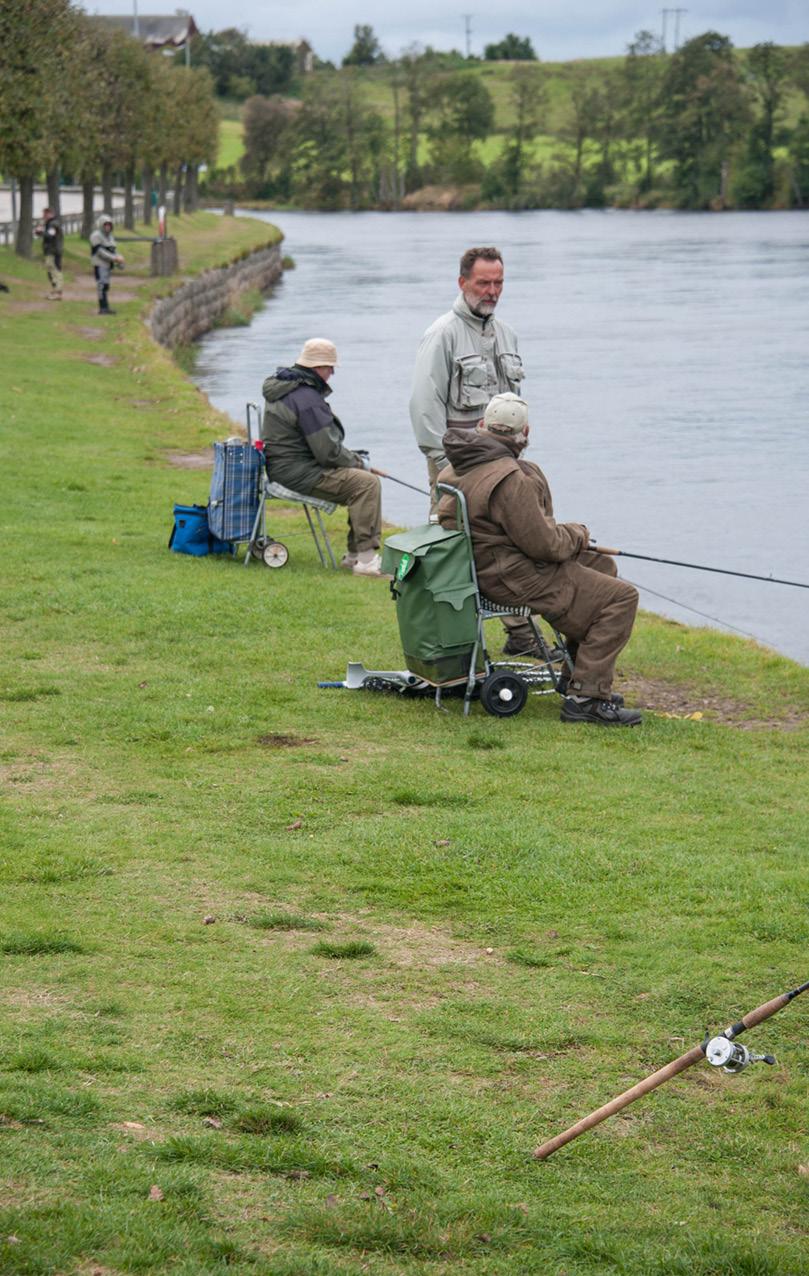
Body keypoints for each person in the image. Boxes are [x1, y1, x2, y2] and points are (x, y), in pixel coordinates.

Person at [437, 393, 642, 727]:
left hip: (479, 569)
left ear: (482, 425)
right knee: (621, 597)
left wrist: (575, 544)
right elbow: (545, 546)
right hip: (510, 578)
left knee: (601, 567)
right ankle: (586, 701)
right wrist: (578, 533)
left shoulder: (456, 465)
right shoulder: (509, 478)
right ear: (526, 433)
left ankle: (577, 677)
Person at [409, 245, 537, 658]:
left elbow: (514, 402)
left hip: (504, 466)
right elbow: (423, 405)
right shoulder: (442, 334)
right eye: (484, 282)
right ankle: (455, 644)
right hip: (457, 466)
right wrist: (446, 466)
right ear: (462, 282)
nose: (492, 291)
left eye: (499, 282)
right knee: (454, 551)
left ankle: (520, 633)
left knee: (516, 541)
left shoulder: (508, 334)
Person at [261, 339, 384, 577]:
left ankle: (354, 556)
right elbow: (328, 452)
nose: (333, 373)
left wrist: (355, 460)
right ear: (317, 367)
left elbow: (322, 446)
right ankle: (365, 561)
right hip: (297, 472)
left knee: (360, 479)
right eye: (330, 367)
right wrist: (361, 464)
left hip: (283, 467)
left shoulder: (286, 388)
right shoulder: (307, 400)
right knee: (366, 483)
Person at [89, 213, 124, 315]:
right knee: (101, 286)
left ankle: (106, 307)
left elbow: (113, 250)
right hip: (100, 265)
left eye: (109, 225)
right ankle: (102, 308)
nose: (108, 227)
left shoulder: (110, 237)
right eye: (106, 225)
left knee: (106, 286)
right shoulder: (95, 236)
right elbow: (100, 252)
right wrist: (115, 258)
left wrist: (120, 260)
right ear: (101, 225)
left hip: (108, 265)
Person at [34, 207, 63, 300]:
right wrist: (40, 232)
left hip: (53, 251)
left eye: (45, 214)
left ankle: (58, 292)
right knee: (51, 271)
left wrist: (41, 231)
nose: (43, 216)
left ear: (50, 214)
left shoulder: (53, 224)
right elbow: (47, 234)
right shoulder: (49, 224)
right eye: (43, 214)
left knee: (54, 270)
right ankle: (55, 290)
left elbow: (50, 235)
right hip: (51, 251)